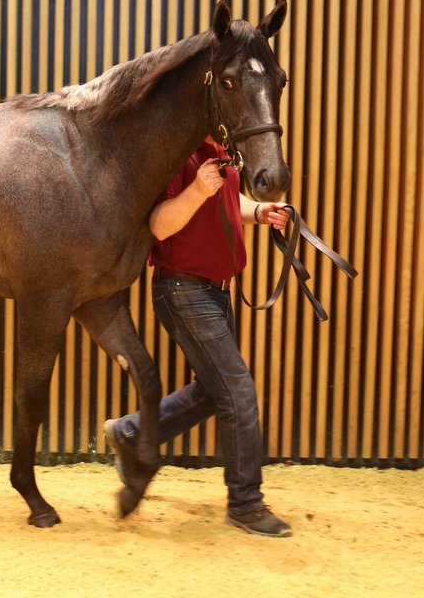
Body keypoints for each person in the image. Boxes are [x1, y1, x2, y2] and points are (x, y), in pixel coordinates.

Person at [103, 136, 293, 537]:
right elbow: (157, 224)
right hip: (183, 291)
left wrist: (259, 211)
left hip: (216, 292)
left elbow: (226, 201)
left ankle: (130, 433)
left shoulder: (218, 149)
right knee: (237, 391)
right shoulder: (174, 151)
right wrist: (196, 190)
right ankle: (246, 504)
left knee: (214, 391)